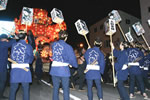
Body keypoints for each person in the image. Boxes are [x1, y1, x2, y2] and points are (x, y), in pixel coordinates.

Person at [49, 30, 78, 100]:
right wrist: (74, 65)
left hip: (54, 69)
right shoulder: (68, 46)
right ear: (66, 38)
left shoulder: (54, 45)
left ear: (58, 36)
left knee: (56, 88)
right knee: (65, 89)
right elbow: (71, 58)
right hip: (63, 70)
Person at [9, 33, 34, 100]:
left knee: (13, 89)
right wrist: (28, 61)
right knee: (25, 89)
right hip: (24, 69)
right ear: (26, 38)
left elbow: (11, 56)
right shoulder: (28, 46)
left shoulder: (13, 45)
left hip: (15, 69)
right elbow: (31, 58)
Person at [0, 34, 16, 99]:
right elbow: (13, 42)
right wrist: (13, 37)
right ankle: (0, 95)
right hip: (1, 67)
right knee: (2, 81)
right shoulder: (2, 44)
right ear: (4, 39)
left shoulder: (2, 44)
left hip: (2, 66)